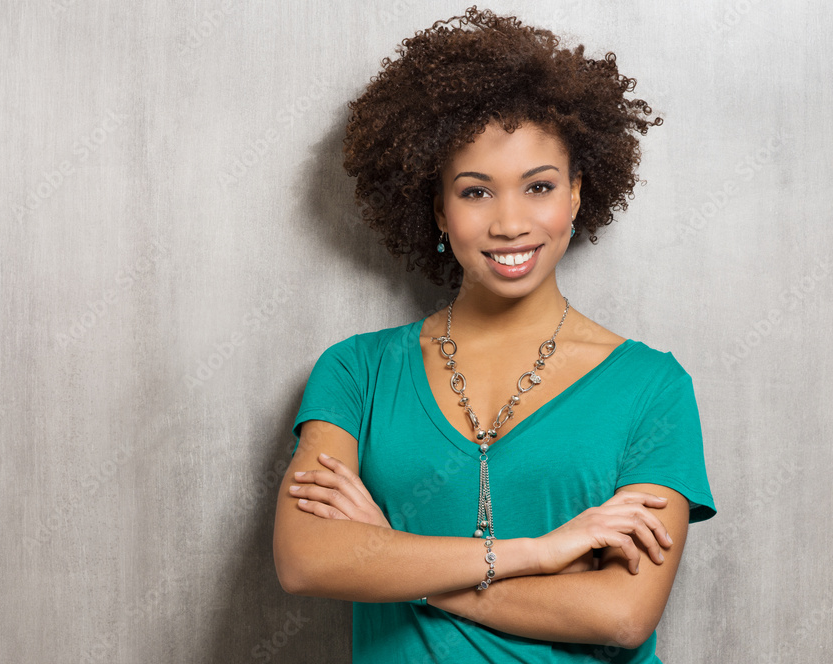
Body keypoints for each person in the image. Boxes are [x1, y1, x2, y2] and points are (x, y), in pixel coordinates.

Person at [273, 8, 715, 663]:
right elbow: (307, 560)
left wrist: (395, 558)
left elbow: (621, 615)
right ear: (439, 209)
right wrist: (536, 554)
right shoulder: (356, 372)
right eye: (476, 192)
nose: (510, 222)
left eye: (538, 186)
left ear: (575, 195)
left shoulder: (651, 388)